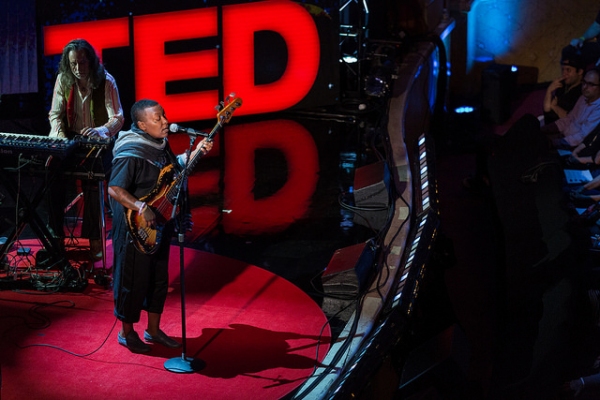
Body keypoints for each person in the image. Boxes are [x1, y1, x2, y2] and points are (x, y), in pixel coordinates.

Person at [108, 99, 213, 353]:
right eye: (158, 119)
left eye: (164, 116)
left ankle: (153, 330)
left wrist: (195, 153)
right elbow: (114, 189)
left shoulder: (158, 144)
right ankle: (127, 333)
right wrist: (141, 207)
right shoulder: (131, 151)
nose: (165, 122)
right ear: (142, 125)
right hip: (135, 225)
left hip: (160, 220)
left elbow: (168, 173)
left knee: (158, 278)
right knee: (132, 281)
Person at [48, 38, 124, 260]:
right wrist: (59, 138)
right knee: (52, 173)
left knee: (92, 179)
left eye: (82, 63)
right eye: (73, 64)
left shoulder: (106, 81)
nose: (78, 68)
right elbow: (55, 114)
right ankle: (55, 237)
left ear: (90, 61)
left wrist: (102, 131)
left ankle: (94, 239)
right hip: (71, 138)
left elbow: (118, 117)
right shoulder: (63, 80)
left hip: (98, 139)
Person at [541, 67, 600, 150]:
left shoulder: (598, 109)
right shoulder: (583, 98)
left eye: (590, 84)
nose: (585, 87)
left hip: (573, 147)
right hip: (563, 136)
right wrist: (544, 129)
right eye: (584, 82)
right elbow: (569, 119)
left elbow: (582, 137)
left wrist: (553, 142)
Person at [542, 50, 584, 125]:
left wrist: (554, 107)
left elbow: (572, 120)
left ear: (580, 72)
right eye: (563, 70)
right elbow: (547, 109)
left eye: (568, 70)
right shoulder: (562, 86)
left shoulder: (583, 91)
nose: (564, 73)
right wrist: (549, 91)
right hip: (549, 124)